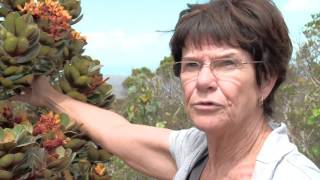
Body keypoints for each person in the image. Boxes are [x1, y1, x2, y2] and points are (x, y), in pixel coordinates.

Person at [18, 0, 320, 179]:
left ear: (265, 80)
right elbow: (119, 132)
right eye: (191, 65)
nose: (203, 81)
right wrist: (47, 95)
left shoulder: (291, 174)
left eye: (226, 64)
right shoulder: (195, 154)